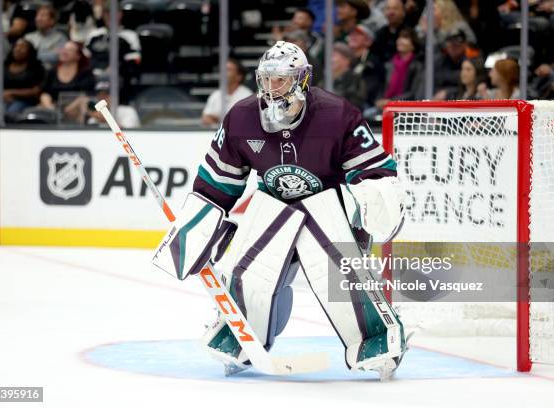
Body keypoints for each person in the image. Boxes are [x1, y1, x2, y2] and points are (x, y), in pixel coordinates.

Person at [162, 41, 407, 378]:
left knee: (339, 272)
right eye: (266, 79)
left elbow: (376, 170)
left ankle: (377, 336)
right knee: (246, 274)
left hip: (327, 208)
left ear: (302, 79)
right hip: (273, 205)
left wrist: (373, 198)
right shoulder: (242, 118)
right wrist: (197, 229)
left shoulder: (337, 114)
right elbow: (219, 182)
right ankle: (241, 334)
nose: (271, 88)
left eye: (281, 79)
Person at [0, 38, 44, 114]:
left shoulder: (36, 68)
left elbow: (36, 91)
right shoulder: (2, 65)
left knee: (8, 114)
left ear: (30, 51)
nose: (18, 49)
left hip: (22, 101)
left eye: (22, 47)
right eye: (16, 46)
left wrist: (11, 92)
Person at [39, 41, 95, 111]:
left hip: (77, 109)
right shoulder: (52, 71)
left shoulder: (85, 73)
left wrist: (67, 110)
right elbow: (45, 93)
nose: (64, 52)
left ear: (78, 56)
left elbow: (86, 94)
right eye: (63, 49)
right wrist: (50, 107)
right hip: (54, 108)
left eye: (70, 50)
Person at [376, 27, 423, 108]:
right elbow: (381, 87)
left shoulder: (417, 66)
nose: (400, 40)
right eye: (399, 37)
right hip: (384, 105)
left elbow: (414, 92)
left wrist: (392, 101)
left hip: (406, 108)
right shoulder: (389, 64)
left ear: (413, 45)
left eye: (405, 38)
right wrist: (379, 100)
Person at [201, 58, 253, 127]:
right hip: (218, 135)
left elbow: (246, 121)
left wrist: (218, 120)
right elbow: (206, 118)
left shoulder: (247, 96)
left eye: (229, 70)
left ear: (239, 76)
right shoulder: (216, 94)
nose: (224, 73)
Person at [319, 42, 367, 108]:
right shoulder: (326, 78)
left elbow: (353, 104)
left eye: (334, 55)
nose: (329, 59)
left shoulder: (355, 80)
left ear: (346, 60)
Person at [348, 24, 385, 106]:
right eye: (352, 34)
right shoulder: (344, 60)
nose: (353, 36)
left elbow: (368, 91)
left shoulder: (373, 63)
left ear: (368, 41)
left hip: (364, 105)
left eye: (358, 34)